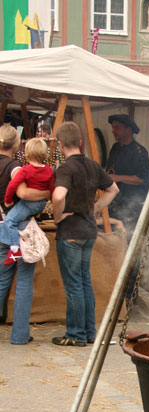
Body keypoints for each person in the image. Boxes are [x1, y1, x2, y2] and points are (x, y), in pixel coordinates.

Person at [51, 121, 118, 347]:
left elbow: (59, 196)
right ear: (80, 142)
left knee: (74, 285)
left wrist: (57, 216)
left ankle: (75, 334)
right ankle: (89, 332)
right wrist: (97, 207)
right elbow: (113, 189)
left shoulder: (66, 168)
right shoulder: (92, 165)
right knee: (84, 281)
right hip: (89, 231)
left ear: (60, 145)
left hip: (70, 232)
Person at [0, 124, 52, 344]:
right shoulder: (14, 167)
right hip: (19, 227)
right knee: (23, 281)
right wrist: (47, 193)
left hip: (2, 225)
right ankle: (20, 335)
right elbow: (23, 192)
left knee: (2, 280)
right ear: (16, 143)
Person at [2, 137, 54, 265]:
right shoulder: (49, 170)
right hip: (41, 204)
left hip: (28, 203)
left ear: (26, 154)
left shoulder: (25, 170)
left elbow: (13, 185)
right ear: (45, 155)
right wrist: (49, 198)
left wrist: (8, 199)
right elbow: (52, 187)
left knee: (10, 220)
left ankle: (14, 249)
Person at [106, 114, 149, 238]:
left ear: (128, 129)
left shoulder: (139, 152)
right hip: (114, 203)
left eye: (117, 128)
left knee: (128, 240)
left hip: (131, 206)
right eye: (113, 128)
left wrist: (117, 178)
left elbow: (143, 179)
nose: (113, 131)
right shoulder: (115, 148)